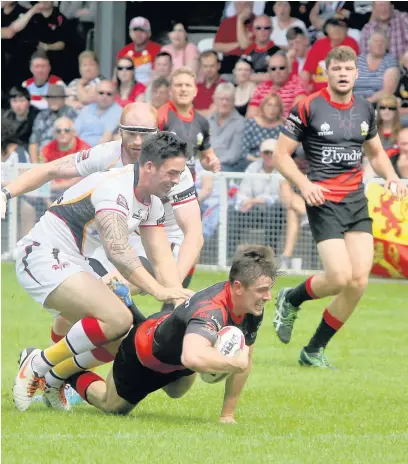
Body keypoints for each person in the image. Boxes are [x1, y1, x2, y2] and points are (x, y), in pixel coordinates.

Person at [12, 131, 194, 412]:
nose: (177, 180)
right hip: (41, 254)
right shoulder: (115, 187)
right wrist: (158, 290)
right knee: (118, 318)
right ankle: (38, 362)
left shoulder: (153, 202)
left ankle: (55, 377)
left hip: (75, 262)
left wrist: (178, 300)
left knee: (120, 343)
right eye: (173, 172)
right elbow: (118, 252)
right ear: (149, 167)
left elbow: (161, 258)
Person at [2, 102, 204, 343]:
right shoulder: (107, 156)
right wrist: (6, 193)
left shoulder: (172, 170)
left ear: (157, 134)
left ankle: (53, 367)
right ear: (119, 131)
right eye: (131, 133)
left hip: (161, 240)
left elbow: (193, 234)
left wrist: (172, 291)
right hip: (115, 238)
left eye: (145, 134)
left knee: (118, 316)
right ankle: (52, 366)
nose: (138, 142)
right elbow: (52, 169)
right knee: (107, 315)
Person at [272, 46, 407, 368]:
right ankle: (290, 299)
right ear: (327, 72)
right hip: (323, 200)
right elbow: (280, 156)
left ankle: (314, 349)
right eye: (337, 69)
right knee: (339, 276)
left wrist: (392, 177)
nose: (343, 74)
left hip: (355, 201)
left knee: (359, 282)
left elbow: (375, 153)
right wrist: (304, 185)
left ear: (356, 74)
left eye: (348, 69)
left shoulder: (364, 108)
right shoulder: (308, 106)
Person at [66, 245, 278, 423]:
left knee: (177, 391)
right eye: (262, 290)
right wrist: (233, 363)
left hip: (172, 352)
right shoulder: (209, 310)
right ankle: (65, 373)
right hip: (141, 355)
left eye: (269, 289)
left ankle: (129, 307)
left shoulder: (252, 307)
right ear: (238, 287)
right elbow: (192, 358)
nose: (268, 297)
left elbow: (245, 357)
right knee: (113, 407)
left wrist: (227, 415)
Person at [158, 67, 220, 178]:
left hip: (189, 187)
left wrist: (211, 163)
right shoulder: (160, 116)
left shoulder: (202, 122)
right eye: (178, 85)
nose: (183, 89)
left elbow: (206, 156)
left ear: (195, 91)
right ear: (170, 90)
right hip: (163, 188)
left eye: (188, 85)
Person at [301, 16, 359, 93]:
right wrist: (304, 88)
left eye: (341, 26)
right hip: (317, 91)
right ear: (326, 29)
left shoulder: (351, 43)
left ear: (346, 30)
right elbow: (307, 71)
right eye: (333, 26)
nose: (337, 29)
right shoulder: (319, 45)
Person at [247, 52, 309, 119]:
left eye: (281, 68)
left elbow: (298, 114)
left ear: (288, 69)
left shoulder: (297, 84)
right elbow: (251, 116)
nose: (277, 71)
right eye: (273, 69)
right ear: (269, 71)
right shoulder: (261, 88)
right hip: (264, 126)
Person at [29, 84, 77, 162]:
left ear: (63, 99)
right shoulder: (41, 116)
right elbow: (33, 142)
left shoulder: (72, 114)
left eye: (57, 98)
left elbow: (77, 139)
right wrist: (34, 165)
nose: (53, 101)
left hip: (66, 158)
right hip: (43, 158)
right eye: (50, 98)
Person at [208, 82, 246, 172]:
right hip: (206, 166)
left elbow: (234, 155)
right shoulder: (207, 121)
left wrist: (211, 164)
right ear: (215, 100)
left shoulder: (241, 123)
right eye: (221, 99)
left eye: (228, 99)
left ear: (234, 101)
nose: (224, 103)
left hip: (228, 168)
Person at [354, 30, 399, 103]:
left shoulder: (390, 62)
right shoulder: (358, 60)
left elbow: (387, 92)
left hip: (377, 102)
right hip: (353, 100)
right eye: (375, 41)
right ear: (369, 45)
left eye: (382, 42)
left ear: (387, 46)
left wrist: (365, 103)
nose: (379, 44)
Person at [74, 80, 122, 147]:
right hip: (79, 149)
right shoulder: (87, 109)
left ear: (114, 96)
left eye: (109, 94)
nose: (104, 96)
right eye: (101, 93)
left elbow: (107, 137)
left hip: (98, 151)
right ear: (96, 94)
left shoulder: (117, 111)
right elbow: (74, 132)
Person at [117, 16, 161, 85]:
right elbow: (117, 77)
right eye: (135, 30)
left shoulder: (157, 50)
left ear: (149, 33)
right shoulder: (123, 52)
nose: (138, 33)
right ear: (130, 33)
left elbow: (159, 76)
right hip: (129, 90)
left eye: (142, 30)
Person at [214, 1, 255, 74]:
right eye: (239, 4)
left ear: (252, 5)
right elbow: (216, 46)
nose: (242, 7)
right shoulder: (227, 22)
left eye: (246, 4)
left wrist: (239, 21)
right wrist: (239, 43)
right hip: (229, 61)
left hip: (250, 62)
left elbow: (244, 46)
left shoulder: (259, 22)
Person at [242, 94, 284, 164]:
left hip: (275, 165)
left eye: (276, 106)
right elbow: (244, 151)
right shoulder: (251, 123)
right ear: (262, 107)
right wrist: (258, 162)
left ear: (280, 109)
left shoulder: (284, 127)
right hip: (251, 163)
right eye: (269, 105)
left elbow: (285, 153)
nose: (272, 109)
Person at [242, 15, 280, 83]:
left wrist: (247, 77)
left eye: (266, 28)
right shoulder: (248, 51)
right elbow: (239, 75)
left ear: (271, 30)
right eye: (258, 28)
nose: (262, 31)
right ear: (253, 30)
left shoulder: (277, 52)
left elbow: (275, 76)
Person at [194, 51, 224, 118]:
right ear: (201, 67)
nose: (208, 69)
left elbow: (210, 114)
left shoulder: (224, 87)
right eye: (205, 66)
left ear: (218, 66)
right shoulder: (196, 87)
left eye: (212, 66)